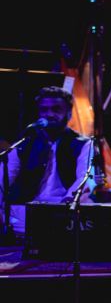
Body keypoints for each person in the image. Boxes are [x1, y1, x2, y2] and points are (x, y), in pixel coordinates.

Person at [1, 87, 93, 235]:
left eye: (56, 109)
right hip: (27, 211)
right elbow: (4, 178)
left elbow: (84, 179)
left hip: (63, 209)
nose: (49, 114)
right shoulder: (25, 143)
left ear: (69, 113)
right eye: (44, 110)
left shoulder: (83, 144)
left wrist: (65, 206)